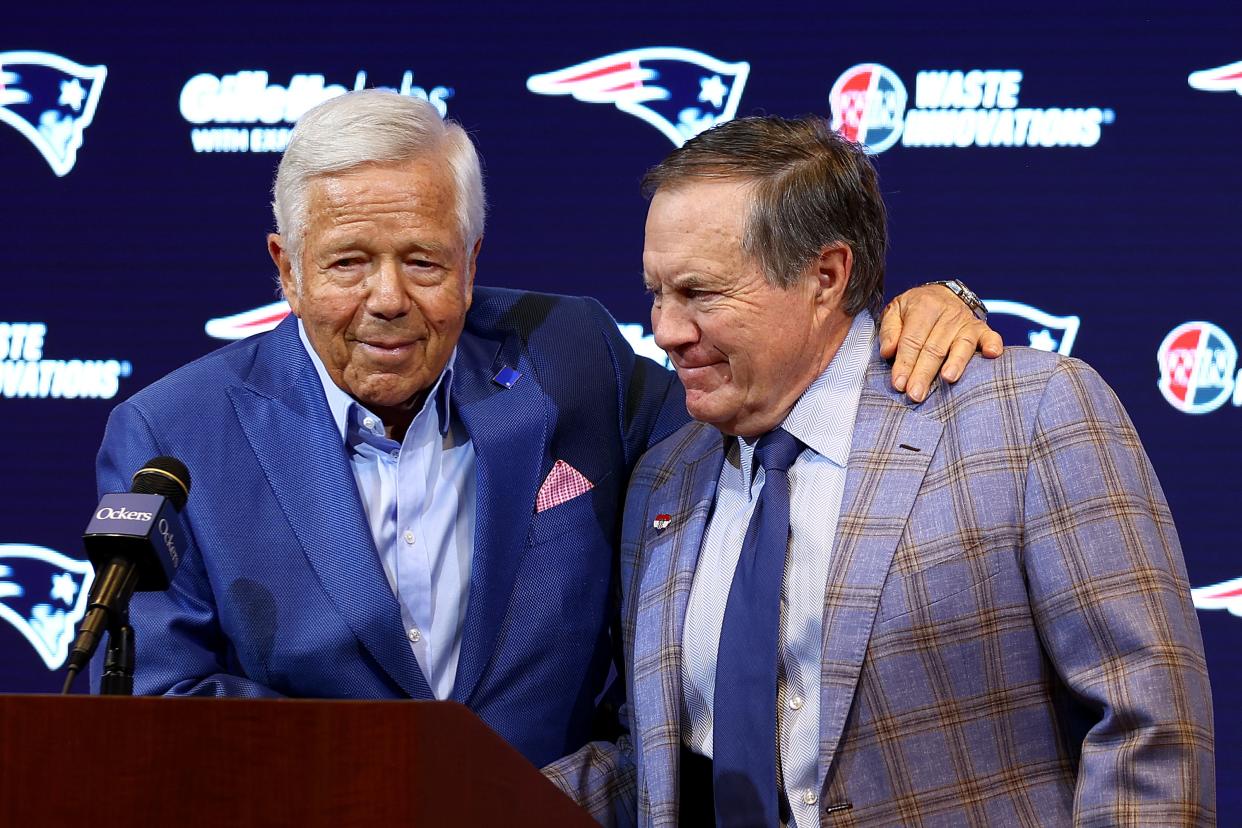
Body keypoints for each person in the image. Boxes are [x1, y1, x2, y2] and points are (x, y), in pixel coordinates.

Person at [91, 91, 999, 769]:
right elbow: (155, 703)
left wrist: (925, 304)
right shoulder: (173, 435)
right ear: (285, 270)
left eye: (422, 261)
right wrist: (401, 785)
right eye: (346, 264)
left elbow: (766, 384)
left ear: (472, 260)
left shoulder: (572, 358)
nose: (387, 300)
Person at [544, 115, 1215, 825]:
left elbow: (1151, 730)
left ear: (826, 277)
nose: (665, 329)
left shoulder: (1028, 415)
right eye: (656, 292)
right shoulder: (666, 477)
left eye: (699, 293)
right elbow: (661, 762)